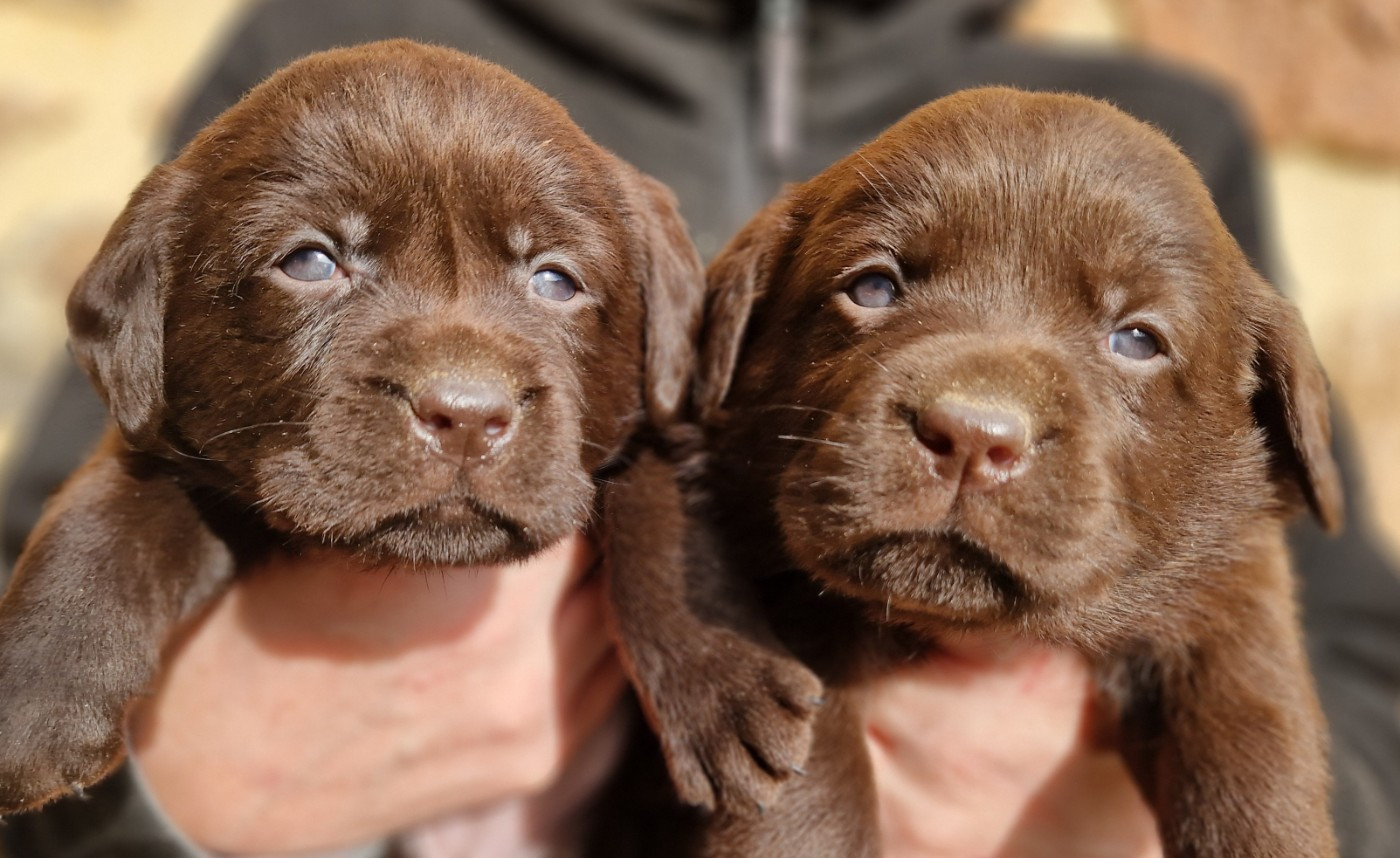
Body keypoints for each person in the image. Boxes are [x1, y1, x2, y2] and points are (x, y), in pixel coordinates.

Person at [3, 1, 1398, 856]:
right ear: (723, 327)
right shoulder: (321, 42)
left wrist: (1122, 818)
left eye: (556, 278)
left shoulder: (1171, 133)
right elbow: (129, 457)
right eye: (869, 285)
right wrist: (160, 797)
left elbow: (1339, 639)